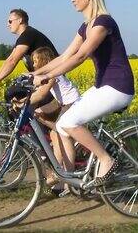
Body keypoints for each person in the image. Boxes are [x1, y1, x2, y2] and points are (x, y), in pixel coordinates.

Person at [32, 0, 135, 186]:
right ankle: (69, 180)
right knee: (61, 126)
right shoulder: (85, 26)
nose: (72, 0)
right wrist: (35, 73)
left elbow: (80, 56)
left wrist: (47, 76)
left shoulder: (103, 22)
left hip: (118, 87)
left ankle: (107, 160)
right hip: (103, 86)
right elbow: (63, 57)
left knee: (70, 122)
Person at [0, 9, 59, 107]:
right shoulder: (25, 37)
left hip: (51, 80)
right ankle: (25, 121)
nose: (7, 24)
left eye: (10, 21)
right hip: (42, 79)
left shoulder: (28, 35)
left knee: (12, 94)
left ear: (20, 20)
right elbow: (9, 60)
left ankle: (26, 121)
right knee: (15, 98)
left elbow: (12, 61)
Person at [29, 47, 80, 190]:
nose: (33, 65)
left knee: (57, 134)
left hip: (71, 104)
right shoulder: (47, 75)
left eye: (35, 61)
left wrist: (22, 103)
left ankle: (64, 177)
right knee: (52, 130)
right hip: (63, 103)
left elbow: (40, 95)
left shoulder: (51, 75)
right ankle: (61, 176)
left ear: (44, 61)